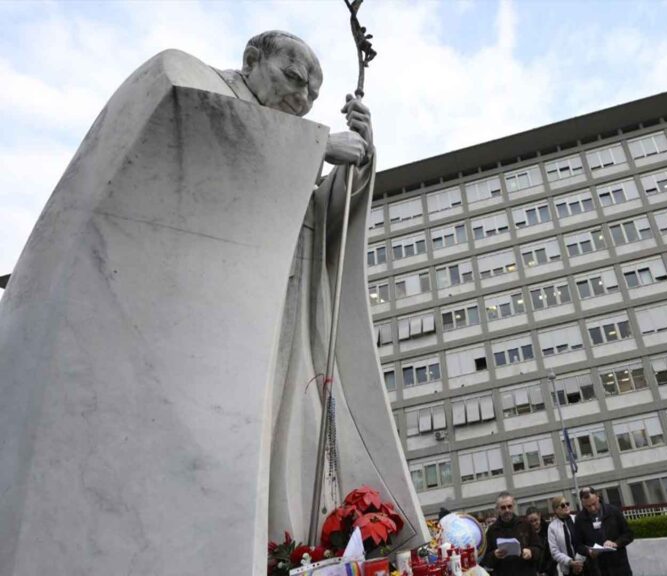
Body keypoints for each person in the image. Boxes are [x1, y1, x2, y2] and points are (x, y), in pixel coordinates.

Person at [0, 29, 428, 574]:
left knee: (284, 424)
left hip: (283, 301)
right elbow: (190, 135)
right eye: (292, 80)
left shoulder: (288, 143)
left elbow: (320, 222)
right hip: (199, 319)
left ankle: (287, 544)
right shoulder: (193, 81)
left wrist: (357, 164)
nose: (300, 102)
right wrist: (317, 145)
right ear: (253, 59)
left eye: (312, 98)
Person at [574, 488, 634, 576]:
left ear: (598, 497)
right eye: (588, 506)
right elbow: (577, 545)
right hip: (596, 569)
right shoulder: (579, 519)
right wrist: (588, 552)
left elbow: (629, 534)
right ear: (582, 503)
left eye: (594, 504)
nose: (593, 508)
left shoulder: (613, 511)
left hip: (619, 567)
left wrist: (615, 543)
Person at [481, 492, 541, 576]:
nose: (507, 510)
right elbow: (484, 559)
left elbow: (539, 548)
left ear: (514, 507)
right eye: (503, 508)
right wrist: (494, 555)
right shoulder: (492, 530)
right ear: (497, 509)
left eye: (509, 506)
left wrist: (531, 552)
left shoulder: (526, 525)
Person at [548, 496, 585, 576]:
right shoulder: (552, 527)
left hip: (584, 565)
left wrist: (578, 562)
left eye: (567, 504)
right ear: (555, 510)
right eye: (562, 505)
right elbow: (554, 551)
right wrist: (570, 562)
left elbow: (585, 541)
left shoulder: (577, 519)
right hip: (567, 569)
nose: (566, 506)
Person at [526, 506, 556, 576]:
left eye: (536, 520)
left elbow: (554, 552)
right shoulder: (526, 534)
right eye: (531, 521)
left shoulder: (549, 529)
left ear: (539, 516)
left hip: (550, 571)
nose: (534, 523)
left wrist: (546, 572)